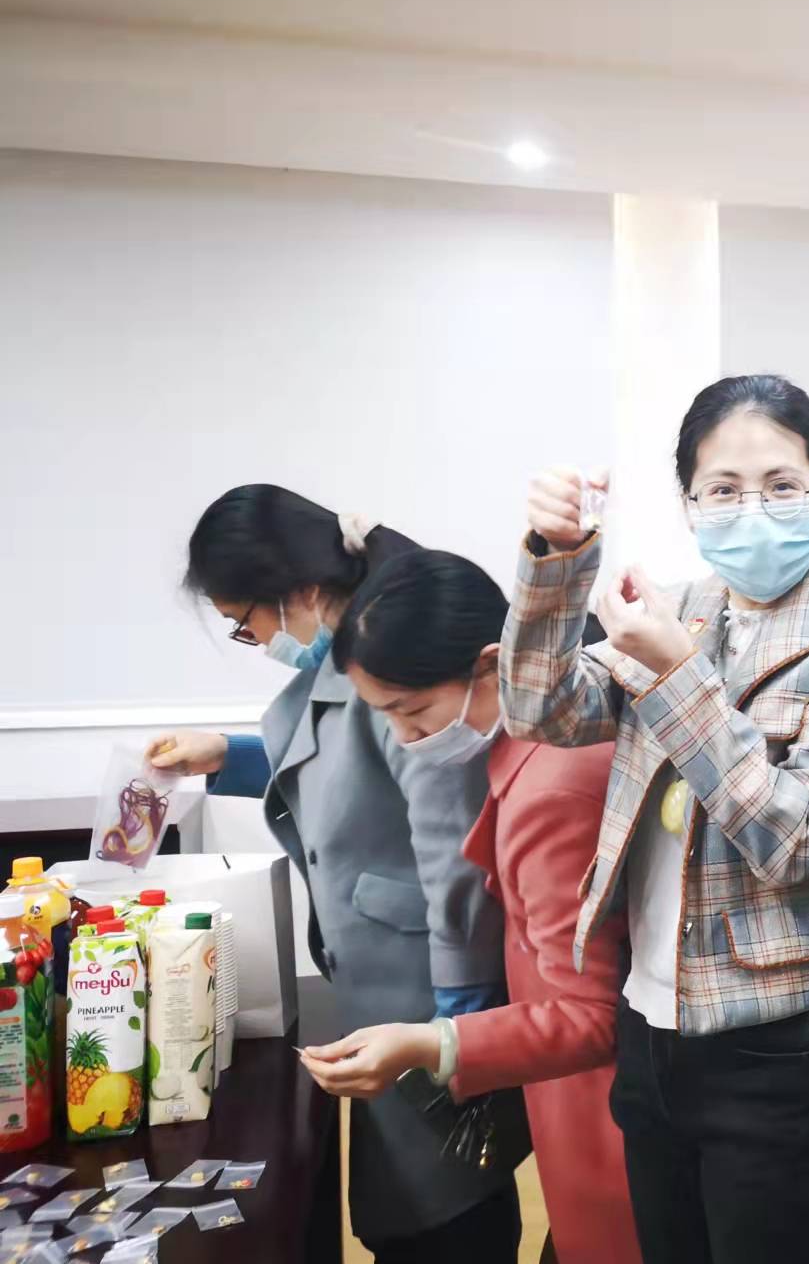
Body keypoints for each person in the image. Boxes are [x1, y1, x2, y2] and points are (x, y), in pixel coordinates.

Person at [500, 375, 809, 1264]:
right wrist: (558, 558)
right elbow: (541, 707)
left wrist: (676, 673)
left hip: (787, 1051)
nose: (751, 510)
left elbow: (793, 838)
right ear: (689, 505)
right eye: (722, 489)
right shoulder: (679, 610)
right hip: (652, 1029)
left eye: (781, 485)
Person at [145, 485, 517, 1263]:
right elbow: (331, 764)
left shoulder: (394, 664)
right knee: (404, 1197)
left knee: (445, 1202)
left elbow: (455, 856)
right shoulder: (351, 667)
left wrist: (458, 1019)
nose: (256, 642)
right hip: (387, 983)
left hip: (429, 982)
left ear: (302, 591)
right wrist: (225, 754)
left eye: (246, 624)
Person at [297, 549, 642, 1264]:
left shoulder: (550, 787)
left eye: (412, 711)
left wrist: (431, 1042)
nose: (404, 739)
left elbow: (590, 1014)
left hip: (607, 1115)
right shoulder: (535, 749)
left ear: (490, 664)